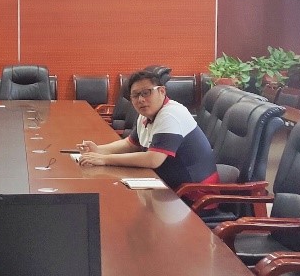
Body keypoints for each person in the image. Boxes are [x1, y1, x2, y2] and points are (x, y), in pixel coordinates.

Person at [77, 66, 218, 189]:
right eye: (135, 95)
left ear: (162, 91)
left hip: (193, 193)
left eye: (146, 93)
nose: (141, 100)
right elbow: (130, 144)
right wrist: (99, 150)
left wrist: (104, 159)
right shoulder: (146, 114)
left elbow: (153, 160)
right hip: (166, 185)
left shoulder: (171, 114)